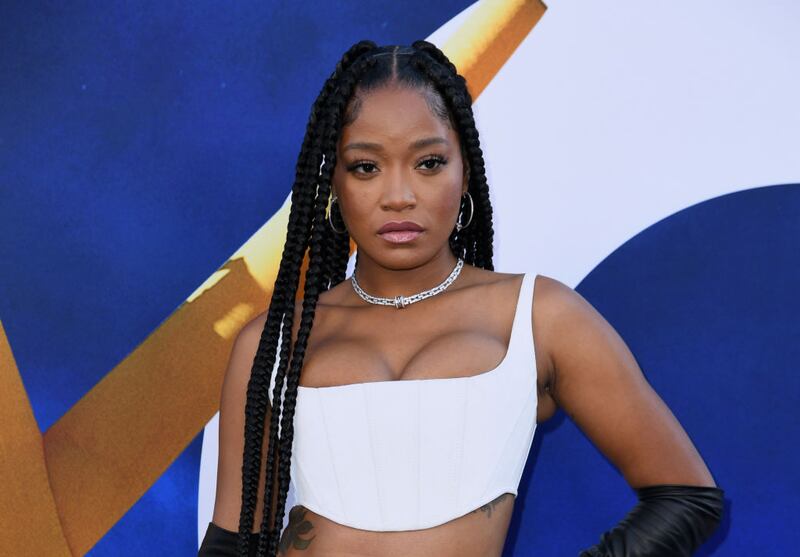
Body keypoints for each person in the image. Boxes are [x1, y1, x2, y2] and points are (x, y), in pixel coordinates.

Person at [198, 40, 725, 557]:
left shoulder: (537, 317)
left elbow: (687, 498)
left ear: (465, 171)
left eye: (428, 163)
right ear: (332, 182)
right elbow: (231, 544)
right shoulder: (274, 341)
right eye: (366, 167)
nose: (399, 196)